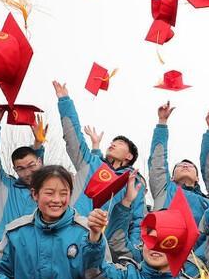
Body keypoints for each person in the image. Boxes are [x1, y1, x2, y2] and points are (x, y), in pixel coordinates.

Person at [53, 81, 146, 248]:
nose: (113, 144)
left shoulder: (134, 182)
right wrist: (65, 101)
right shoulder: (91, 163)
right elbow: (74, 138)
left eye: (119, 143)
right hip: (68, 231)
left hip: (102, 245)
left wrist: (131, 251)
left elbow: (138, 220)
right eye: (112, 142)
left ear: (129, 156)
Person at [0, 105, 46, 254]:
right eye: (21, 169)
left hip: (29, 254)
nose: (27, 173)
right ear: (15, 169)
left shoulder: (48, 193)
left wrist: (38, 146)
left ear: (40, 162)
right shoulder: (4, 185)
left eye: (31, 166)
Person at [149, 102, 209, 223]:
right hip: (165, 234)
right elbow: (158, 160)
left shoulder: (208, 202)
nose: (185, 165)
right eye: (180, 165)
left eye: (191, 166)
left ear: (197, 178)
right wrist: (162, 123)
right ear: (171, 178)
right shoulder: (164, 190)